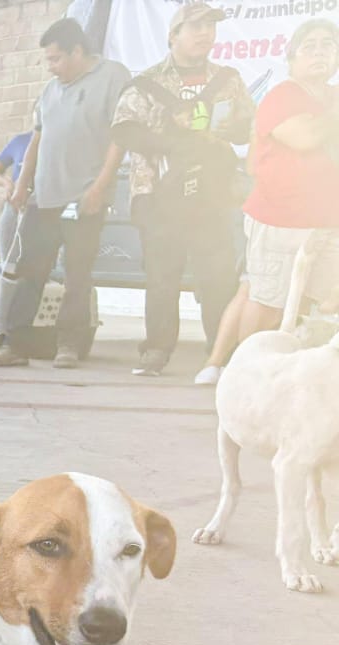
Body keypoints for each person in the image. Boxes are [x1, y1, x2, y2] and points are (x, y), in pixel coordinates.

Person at [195, 17, 339, 385]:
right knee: (267, 304)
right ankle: (246, 376)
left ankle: (289, 372)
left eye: (329, 45)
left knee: (327, 299)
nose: (321, 52)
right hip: (281, 219)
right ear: (292, 59)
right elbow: (305, 137)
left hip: (327, 220)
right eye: (310, 46)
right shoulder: (284, 95)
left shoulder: (331, 97)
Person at [113, 1, 253, 377]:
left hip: (211, 194)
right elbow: (123, 128)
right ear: (173, 35)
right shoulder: (147, 81)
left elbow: (247, 127)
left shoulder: (229, 79)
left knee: (218, 276)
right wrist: (171, 145)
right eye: (195, 27)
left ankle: (220, 356)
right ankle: (155, 353)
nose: (205, 33)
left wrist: (225, 132)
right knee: (161, 275)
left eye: (210, 26)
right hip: (159, 195)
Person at [0, 18, 129, 370]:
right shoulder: (50, 90)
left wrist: (99, 187)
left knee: (77, 274)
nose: (51, 67)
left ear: (78, 51)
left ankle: (69, 345)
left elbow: (120, 137)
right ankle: (14, 343)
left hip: (85, 198)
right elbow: (37, 138)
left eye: (56, 59)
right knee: (30, 269)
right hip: (44, 198)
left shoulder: (113, 76)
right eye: (48, 60)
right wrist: (21, 184)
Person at [0, 130, 33, 335]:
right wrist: (7, 183)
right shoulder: (20, 141)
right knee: (8, 268)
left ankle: (21, 327)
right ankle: (2, 328)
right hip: (13, 210)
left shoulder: (57, 140)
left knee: (32, 271)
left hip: (39, 211)